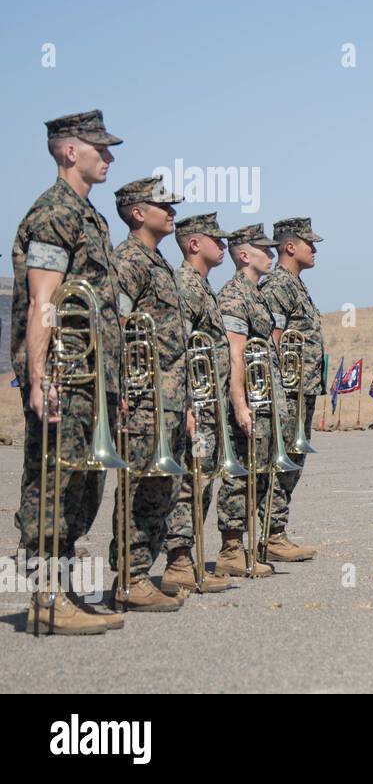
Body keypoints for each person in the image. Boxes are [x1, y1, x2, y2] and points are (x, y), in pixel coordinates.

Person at [12, 110, 125, 634]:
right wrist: (39, 378)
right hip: (64, 375)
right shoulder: (54, 212)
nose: (109, 157)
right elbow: (43, 301)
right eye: (99, 148)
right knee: (51, 486)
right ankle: (45, 597)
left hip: (91, 379)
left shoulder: (89, 216)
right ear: (68, 151)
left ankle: (65, 591)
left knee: (82, 487)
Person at [110, 176, 194, 610]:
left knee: (163, 487)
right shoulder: (129, 261)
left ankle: (141, 570)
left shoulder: (156, 261)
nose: (172, 212)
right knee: (141, 484)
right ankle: (130, 574)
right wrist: (123, 388)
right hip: (144, 397)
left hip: (170, 398)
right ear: (138, 213)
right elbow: (116, 327)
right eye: (164, 206)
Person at [164, 212, 237, 594]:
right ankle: (178, 562)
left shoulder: (204, 286)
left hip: (211, 406)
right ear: (195, 244)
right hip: (197, 405)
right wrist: (191, 405)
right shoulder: (187, 286)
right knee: (190, 482)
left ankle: (189, 560)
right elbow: (178, 349)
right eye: (216, 240)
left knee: (203, 481)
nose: (223, 246)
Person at [215, 224, 286, 577]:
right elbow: (235, 354)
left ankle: (248, 546)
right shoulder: (233, 296)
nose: (271, 255)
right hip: (248, 404)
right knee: (239, 474)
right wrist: (240, 403)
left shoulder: (256, 294)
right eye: (264, 250)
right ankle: (231, 548)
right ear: (244, 255)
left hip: (265, 401)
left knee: (259, 473)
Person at [261, 217, 324, 563]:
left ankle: (275, 531)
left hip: (303, 388)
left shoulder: (295, 285)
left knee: (292, 463)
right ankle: (270, 534)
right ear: (289, 247)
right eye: (308, 243)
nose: (313, 249)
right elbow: (272, 340)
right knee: (281, 462)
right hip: (288, 390)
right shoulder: (278, 286)